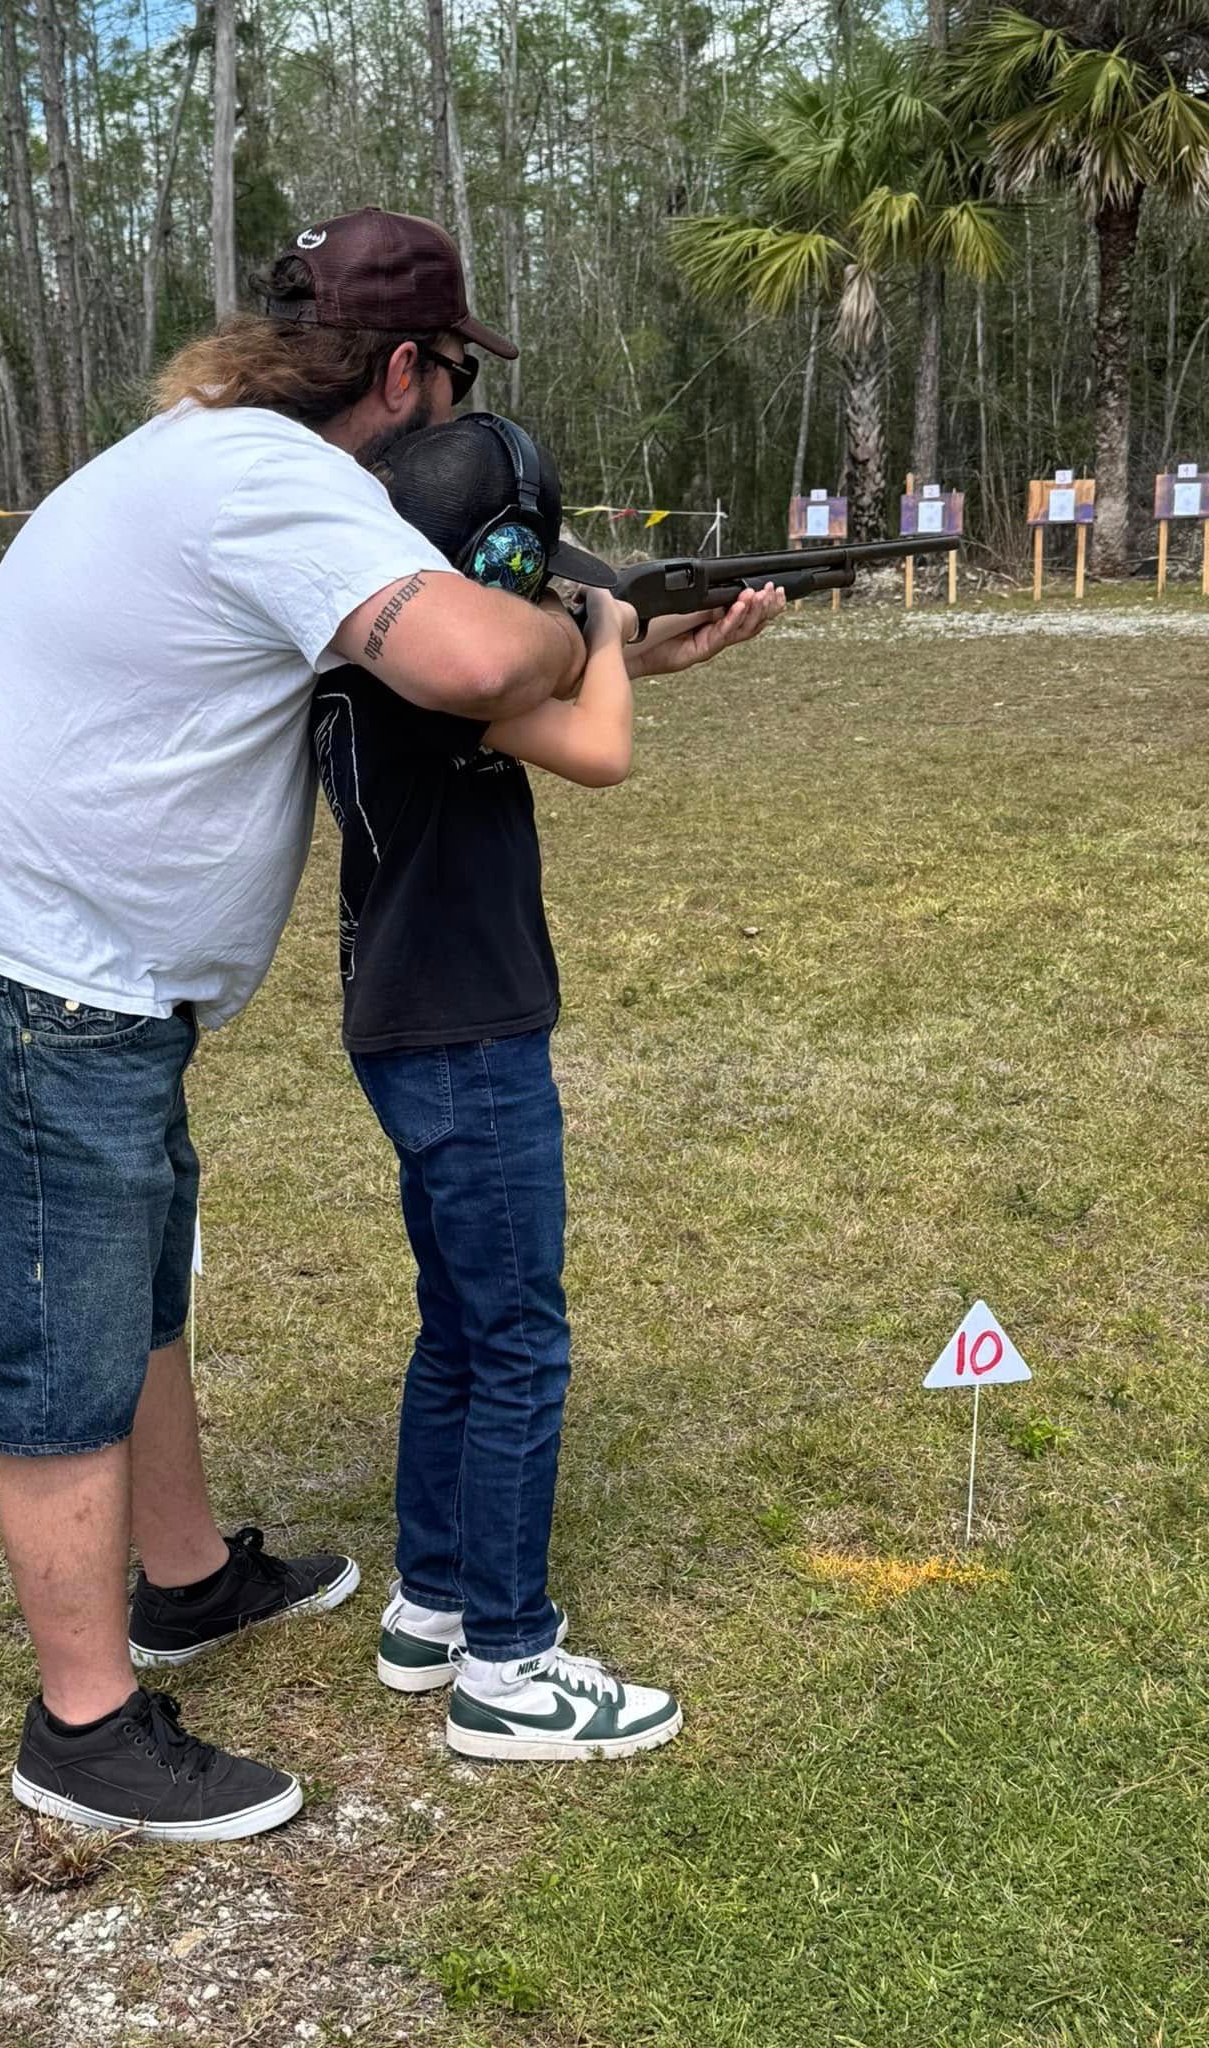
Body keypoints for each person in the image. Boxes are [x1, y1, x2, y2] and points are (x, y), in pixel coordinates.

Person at [0, 204, 773, 1839]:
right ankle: (83, 1731)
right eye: (446, 376)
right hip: (22, 969)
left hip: (74, 976)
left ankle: (189, 1578)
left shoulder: (211, 458)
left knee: (132, 1289)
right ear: (405, 371)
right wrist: (593, 624)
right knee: (61, 1339)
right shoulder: (279, 482)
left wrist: (635, 649)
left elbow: (457, 681)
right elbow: (490, 651)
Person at [312, 416, 781, 1758]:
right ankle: (510, 1667)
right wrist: (617, 642)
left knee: (458, 1326)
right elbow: (599, 748)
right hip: (469, 1027)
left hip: (408, 1019)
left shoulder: (371, 652)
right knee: (519, 1338)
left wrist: (655, 643)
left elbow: (553, 695)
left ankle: (433, 1603)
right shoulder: (449, 680)